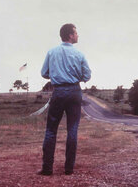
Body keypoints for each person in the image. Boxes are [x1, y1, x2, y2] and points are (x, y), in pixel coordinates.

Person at [37, 23, 91, 176]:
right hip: (74, 91)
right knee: (72, 130)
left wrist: (57, 75)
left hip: (58, 91)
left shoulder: (52, 52)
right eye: (76, 33)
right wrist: (74, 77)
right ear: (69, 35)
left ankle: (47, 168)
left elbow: (44, 73)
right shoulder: (80, 54)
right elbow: (87, 76)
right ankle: (69, 169)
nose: (78, 35)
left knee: (51, 130)